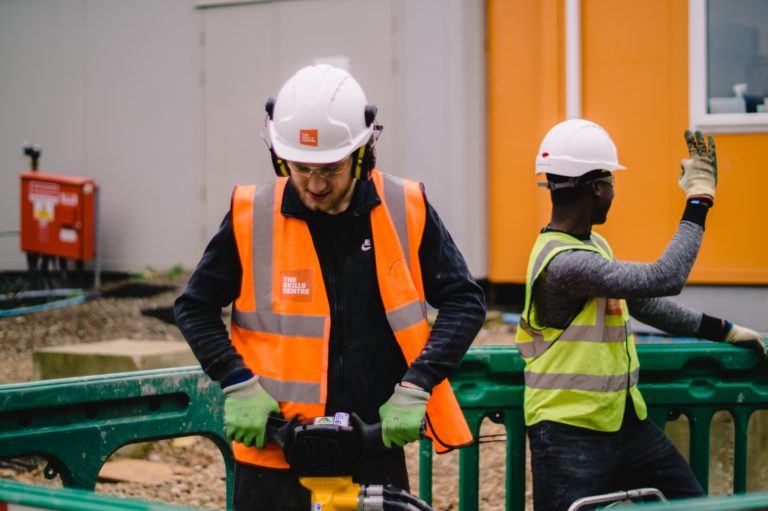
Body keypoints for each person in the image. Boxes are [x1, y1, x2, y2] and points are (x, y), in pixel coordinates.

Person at [174, 64, 485, 511]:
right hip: (274, 453)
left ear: (361, 154)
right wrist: (236, 381)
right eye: (301, 168)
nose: (315, 185)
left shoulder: (404, 207)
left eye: (330, 169)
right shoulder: (252, 215)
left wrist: (418, 384)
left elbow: (464, 301)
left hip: (372, 447)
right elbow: (193, 307)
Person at [514, 118, 767, 511]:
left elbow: (646, 304)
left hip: (624, 423)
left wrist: (724, 330)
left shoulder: (594, 246)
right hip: (568, 433)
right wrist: (699, 200)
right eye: (612, 180)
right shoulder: (565, 263)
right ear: (597, 188)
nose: (614, 191)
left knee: (692, 506)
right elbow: (665, 277)